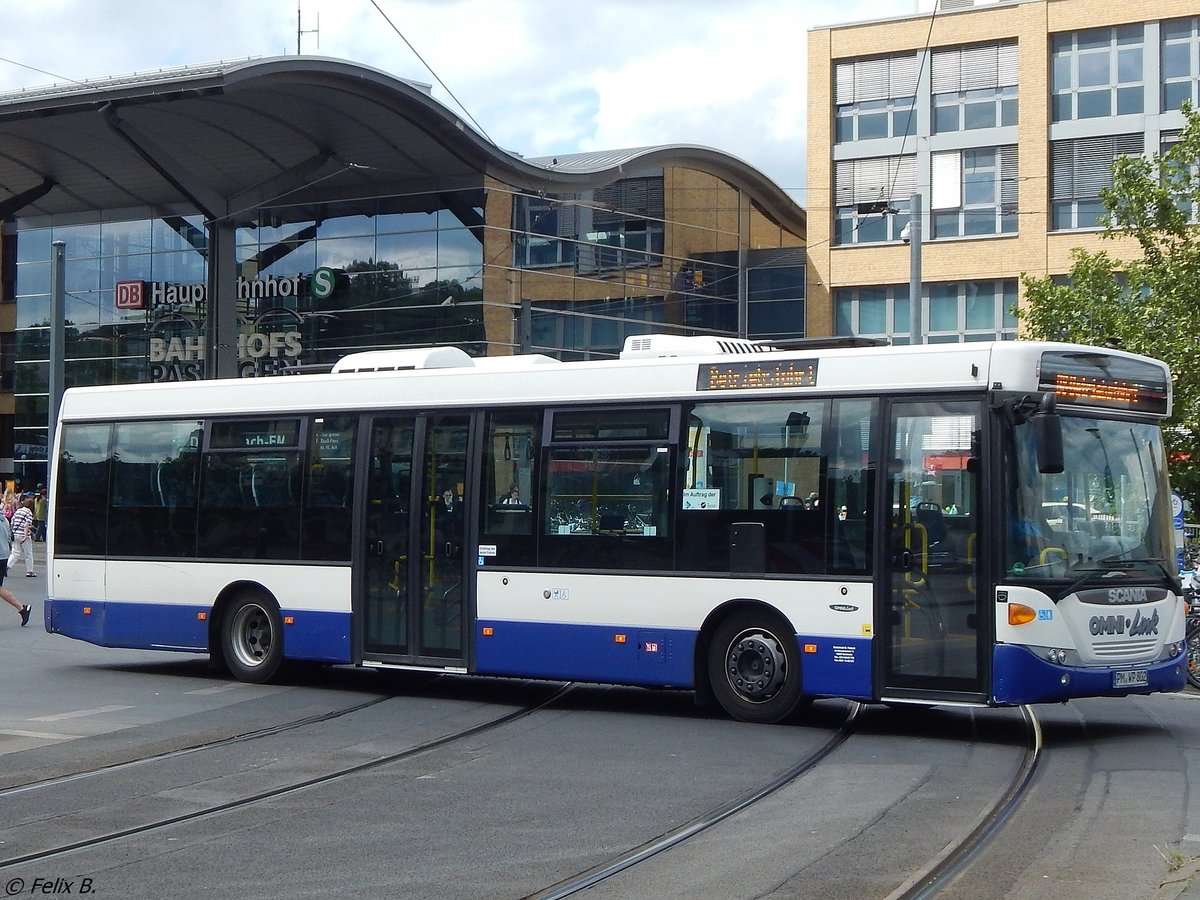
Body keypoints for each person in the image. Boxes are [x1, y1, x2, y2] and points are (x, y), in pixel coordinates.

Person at [0, 512, 31, 625]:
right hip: (3, 556)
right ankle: (22, 609)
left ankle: (22, 608)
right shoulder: (4, 520)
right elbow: (9, 537)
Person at [10, 497, 35, 577]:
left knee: (15, 553)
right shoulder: (29, 513)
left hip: (15, 534)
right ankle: (29, 571)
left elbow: (12, 522)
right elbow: (26, 525)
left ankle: (7, 566)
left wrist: (13, 531)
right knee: (28, 553)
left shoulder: (18, 511)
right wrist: (25, 536)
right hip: (24, 535)